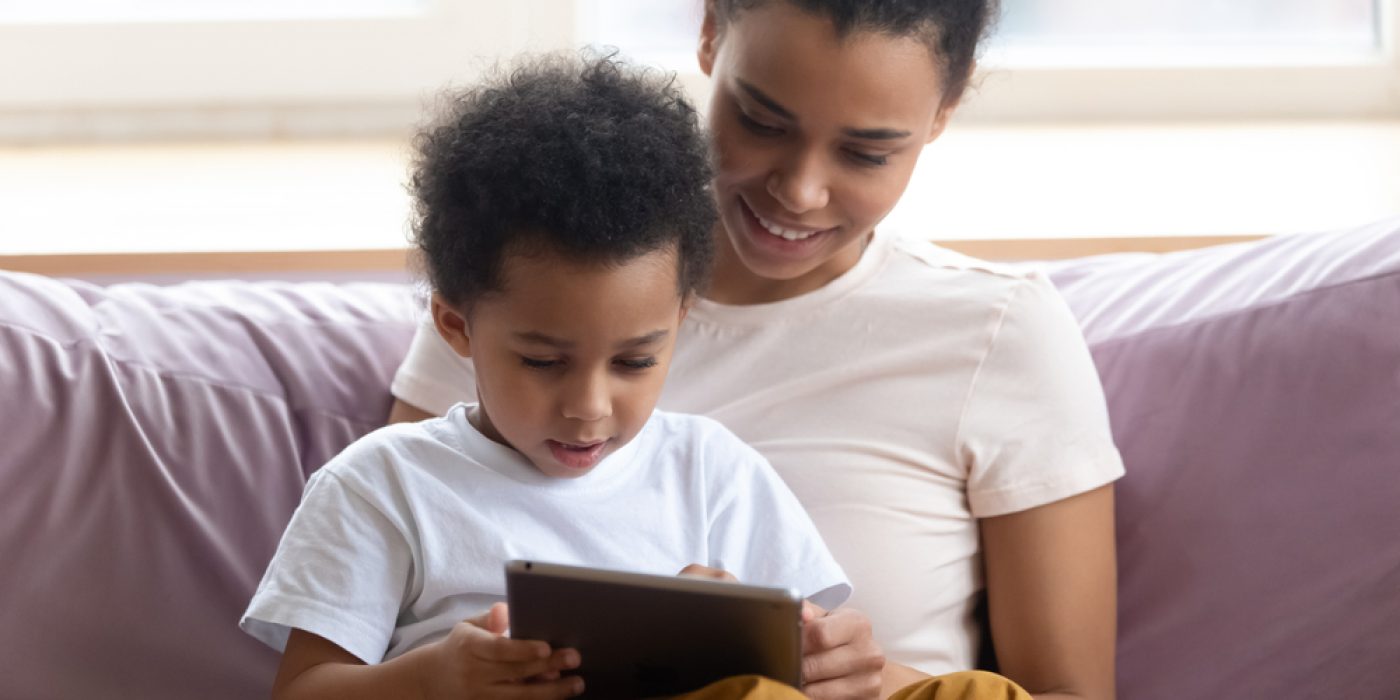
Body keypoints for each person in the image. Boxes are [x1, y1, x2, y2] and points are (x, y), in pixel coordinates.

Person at [389, 1, 1124, 699]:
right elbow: (392, 602)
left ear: (942, 113)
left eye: (867, 153)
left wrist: (872, 678)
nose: (800, 192)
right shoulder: (522, 300)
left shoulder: (1000, 332)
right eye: (760, 121)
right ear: (710, 31)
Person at [240, 54, 855, 699]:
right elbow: (301, 692)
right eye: (542, 362)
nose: (589, 408)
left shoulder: (715, 473)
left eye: (634, 362)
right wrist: (433, 679)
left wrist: (833, 658)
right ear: (456, 327)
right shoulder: (382, 485)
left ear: (680, 318)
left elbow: (814, 651)